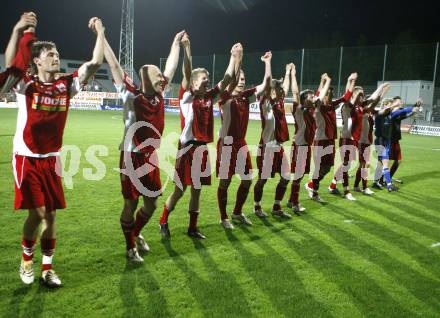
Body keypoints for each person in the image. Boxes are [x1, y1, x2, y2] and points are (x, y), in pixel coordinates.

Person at [13, 16, 105, 287]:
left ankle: (47, 269)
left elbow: (95, 63)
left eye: (57, 54)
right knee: (38, 214)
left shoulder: (66, 85)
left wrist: (100, 32)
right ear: (37, 61)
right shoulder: (25, 86)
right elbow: (15, 63)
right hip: (27, 158)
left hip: (51, 161)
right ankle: (26, 258)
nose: (56, 58)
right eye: (50, 54)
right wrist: (24, 31)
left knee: (51, 217)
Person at [104, 30, 185, 262]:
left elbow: (170, 66)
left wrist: (175, 42)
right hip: (131, 156)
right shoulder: (131, 95)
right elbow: (115, 65)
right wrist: (101, 34)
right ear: (145, 78)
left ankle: (136, 234)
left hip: (150, 156)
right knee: (131, 202)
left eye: (162, 76)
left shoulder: (159, 94)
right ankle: (130, 249)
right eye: (157, 75)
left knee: (151, 203)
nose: (163, 78)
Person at [159, 34, 241, 239]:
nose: (208, 81)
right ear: (194, 83)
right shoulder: (187, 96)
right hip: (187, 149)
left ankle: (192, 228)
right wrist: (187, 49)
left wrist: (233, 56)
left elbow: (227, 79)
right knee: (180, 190)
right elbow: (186, 73)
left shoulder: (208, 97)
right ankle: (163, 219)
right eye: (204, 79)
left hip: (201, 149)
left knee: (197, 191)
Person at [216, 49, 272, 229]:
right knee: (225, 181)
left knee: (247, 180)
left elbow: (266, 84)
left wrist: (267, 63)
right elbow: (231, 80)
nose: (242, 82)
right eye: (239, 79)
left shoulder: (245, 97)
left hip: (241, 144)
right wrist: (237, 58)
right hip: (226, 145)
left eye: (244, 80)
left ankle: (237, 212)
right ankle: (224, 217)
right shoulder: (224, 97)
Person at [304, 73, 356, 202]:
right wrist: (322, 81)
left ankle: (311, 185)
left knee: (326, 168)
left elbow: (346, 97)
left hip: (330, 141)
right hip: (320, 141)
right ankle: (314, 193)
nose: (331, 95)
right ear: (324, 96)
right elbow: (318, 94)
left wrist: (351, 81)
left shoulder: (332, 106)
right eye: (328, 93)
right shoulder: (319, 106)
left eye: (332, 93)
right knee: (319, 168)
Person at [253, 61, 292, 219]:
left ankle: (276, 206)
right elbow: (268, 84)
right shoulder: (265, 103)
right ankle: (257, 207)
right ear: (272, 90)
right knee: (262, 179)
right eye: (279, 88)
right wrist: (268, 64)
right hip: (267, 147)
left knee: (286, 177)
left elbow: (287, 88)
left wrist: (288, 72)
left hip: (278, 147)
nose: (282, 91)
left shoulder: (280, 102)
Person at [288, 72, 331, 213]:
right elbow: (295, 92)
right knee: (298, 176)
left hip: (305, 146)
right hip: (299, 146)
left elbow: (320, 93)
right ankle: (295, 204)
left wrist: (325, 81)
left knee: (299, 176)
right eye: (310, 96)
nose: (313, 98)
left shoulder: (312, 109)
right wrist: (292, 74)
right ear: (303, 99)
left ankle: (290, 201)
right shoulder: (299, 109)